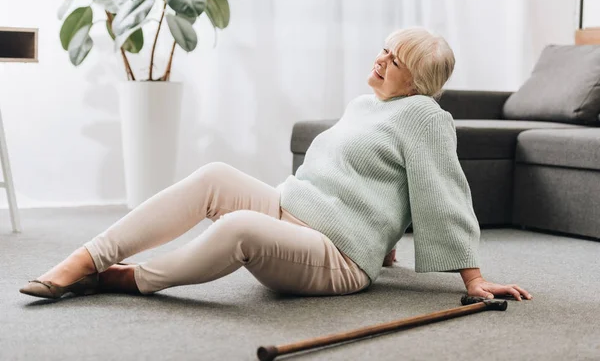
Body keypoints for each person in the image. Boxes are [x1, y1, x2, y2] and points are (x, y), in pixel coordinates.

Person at [20, 27, 532, 302]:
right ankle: (87, 259)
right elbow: (374, 181)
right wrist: (390, 237)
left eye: (394, 60)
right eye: (384, 50)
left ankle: (127, 279)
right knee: (215, 175)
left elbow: (440, 189)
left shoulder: (424, 115)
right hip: (293, 208)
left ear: (417, 80)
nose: (379, 61)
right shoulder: (367, 105)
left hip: (335, 255)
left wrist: (472, 278)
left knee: (241, 225)